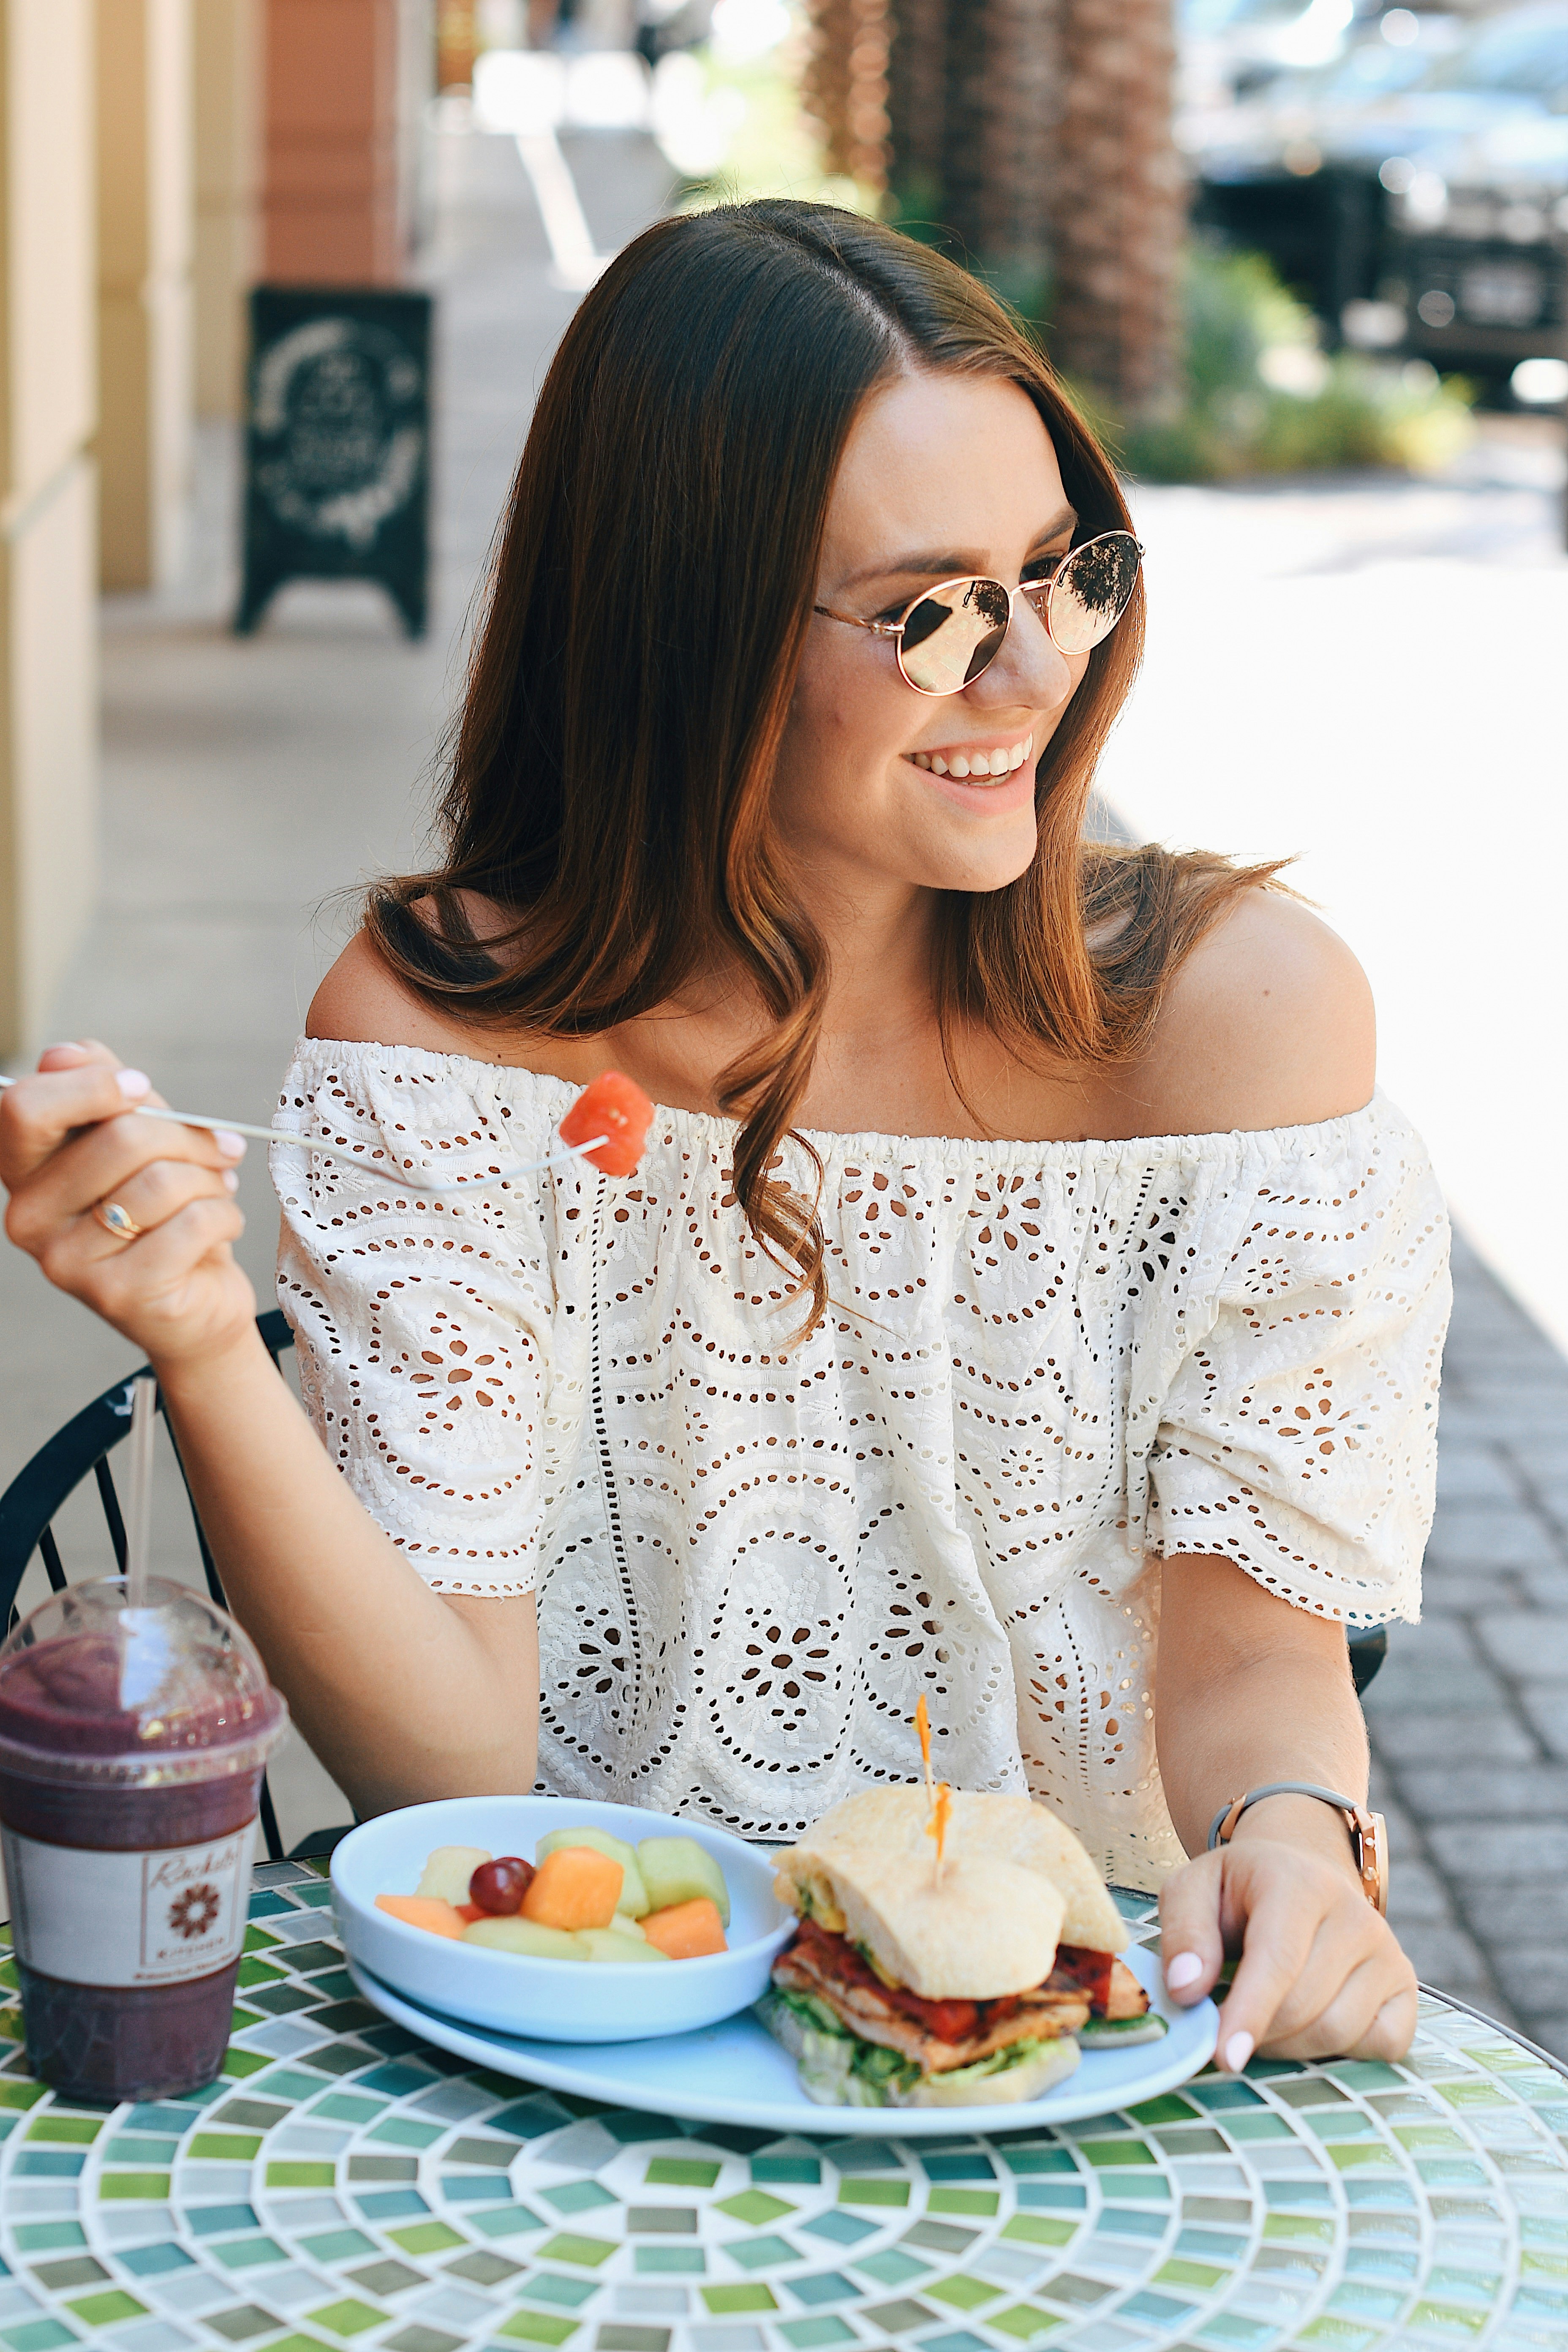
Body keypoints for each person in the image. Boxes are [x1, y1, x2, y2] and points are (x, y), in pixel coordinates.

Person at [0, 201, 1448, 2073]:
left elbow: (1255, 1659)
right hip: (585, 2024)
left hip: (1085, 2043)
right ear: (680, 635)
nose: (1030, 672)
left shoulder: (1231, 1032)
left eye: (1062, 571)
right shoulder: (444, 1037)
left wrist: (1294, 1843)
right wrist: (201, 1338)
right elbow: (452, 1762)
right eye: (930, 612)